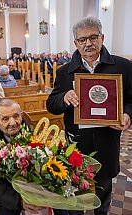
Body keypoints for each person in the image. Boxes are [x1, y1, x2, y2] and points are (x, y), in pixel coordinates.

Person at [46, 16, 132, 215]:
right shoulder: (65, 72)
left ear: (102, 37)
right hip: (76, 146)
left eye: (93, 37)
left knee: (103, 195)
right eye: (82, 39)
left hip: (106, 142)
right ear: (75, 43)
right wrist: (64, 98)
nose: (88, 43)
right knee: (76, 197)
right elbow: (51, 104)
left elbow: (130, 100)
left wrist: (127, 115)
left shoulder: (123, 67)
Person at [0, 99, 50, 215]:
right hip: (11, 203)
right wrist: (20, 201)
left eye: (16, 116)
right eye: (5, 119)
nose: (12, 123)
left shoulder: (34, 135)